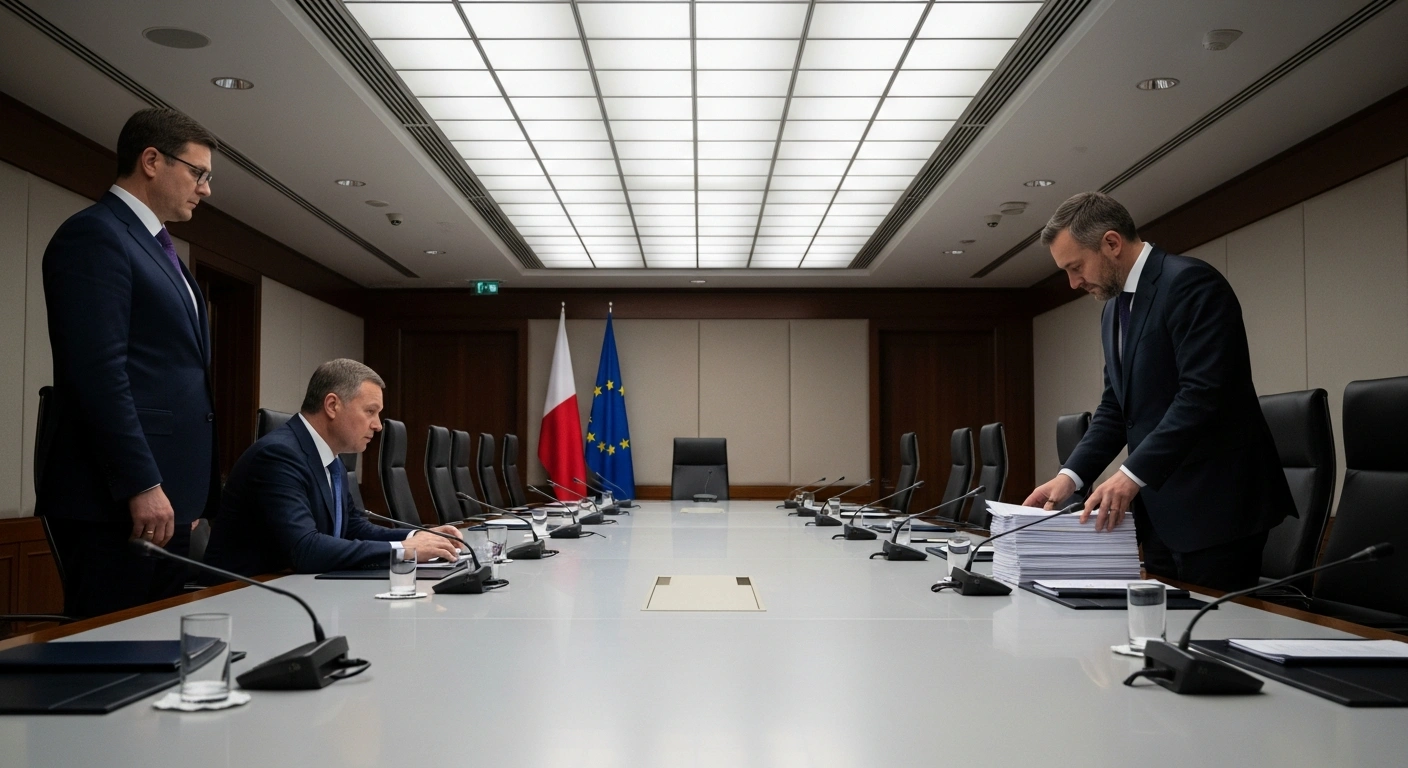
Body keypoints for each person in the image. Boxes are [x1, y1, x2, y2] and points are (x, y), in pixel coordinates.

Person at [1024, 192, 1294, 591]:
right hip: (1159, 515)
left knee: (1208, 630)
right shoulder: (1112, 309)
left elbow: (1202, 394)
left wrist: (1130, 474)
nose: (1073, 282)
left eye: (1076, 267)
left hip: (1217, 510)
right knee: (1159, 628)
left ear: (1111, 243)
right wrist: (1071, 476)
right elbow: (1116, 406)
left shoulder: (1190, 283)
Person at [38, 108, 220, 617]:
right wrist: (142, 482)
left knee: (159, 647)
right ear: (152, 161)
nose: (206, 189)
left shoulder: (161, 251)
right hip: (117, 502)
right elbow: (97, 373)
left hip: (168, 501)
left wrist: (189, 494)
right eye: (198, 173)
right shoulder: (96, 235)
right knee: (113, 650)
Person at [204, 359, 463, 576]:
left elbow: (352, 527)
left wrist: (418, 536)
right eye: (370, 411)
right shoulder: (278, 456)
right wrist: (404, 550)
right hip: (241, 595)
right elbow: (305, 549)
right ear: (332, 405)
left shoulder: (329, 458)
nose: (377, 425)